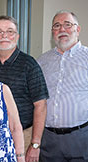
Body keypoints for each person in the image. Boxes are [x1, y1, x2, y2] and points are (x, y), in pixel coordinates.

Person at [0, 15, 49, 162]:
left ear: (17, 36)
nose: (4, 36)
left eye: (10, 31)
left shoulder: (29, 64)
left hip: (24, 136)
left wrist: (35, 145)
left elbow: (41, 105)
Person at [37, 10, 88, 162]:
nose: (62, 30)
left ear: (77, 29)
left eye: (67, 25)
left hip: (81, 137)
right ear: (52, 32)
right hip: (48, 140)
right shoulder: (42, 61)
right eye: (57, 26)